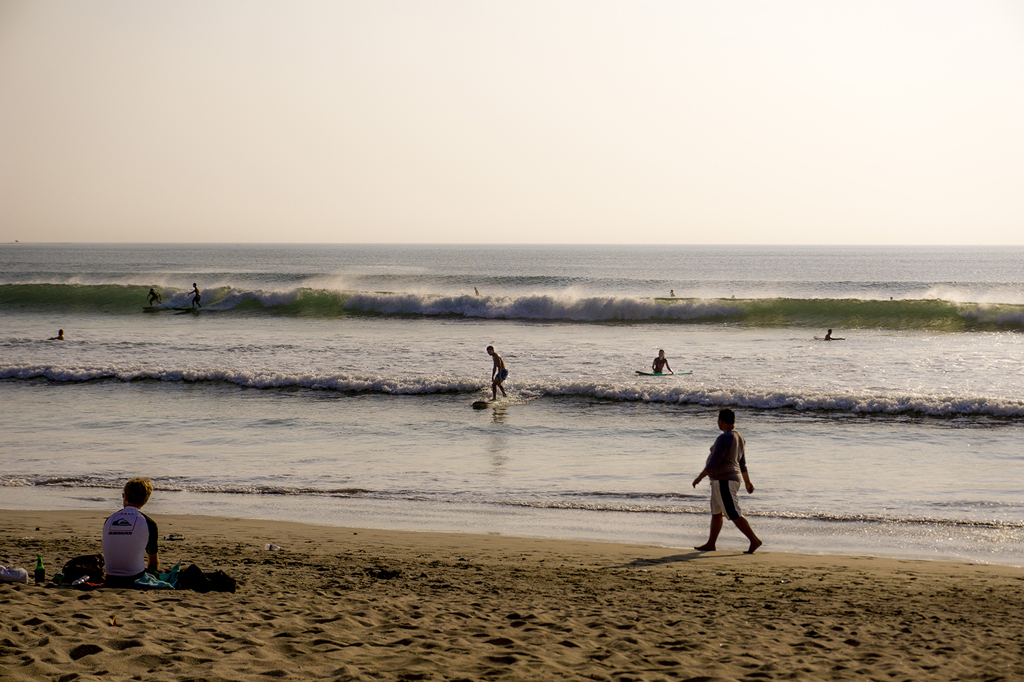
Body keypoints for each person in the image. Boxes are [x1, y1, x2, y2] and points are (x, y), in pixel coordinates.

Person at [692, 409, 762, 554]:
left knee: (733, 512)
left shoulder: (724, 437)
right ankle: (711, 543)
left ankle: (754, 540)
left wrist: (700, 477)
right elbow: (742, 463)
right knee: (716, 513)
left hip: (724, 480)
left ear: (721, 421)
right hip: (725, 480)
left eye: (718, 420)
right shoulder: (740, 437)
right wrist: (748, 482)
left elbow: (714, 462)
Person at [102, 477, 160, 587]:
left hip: (110, 577)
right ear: (145, 500)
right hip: (134, 577)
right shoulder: (149, 523)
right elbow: (153, 563)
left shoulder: (109, 519)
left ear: (126, 496)